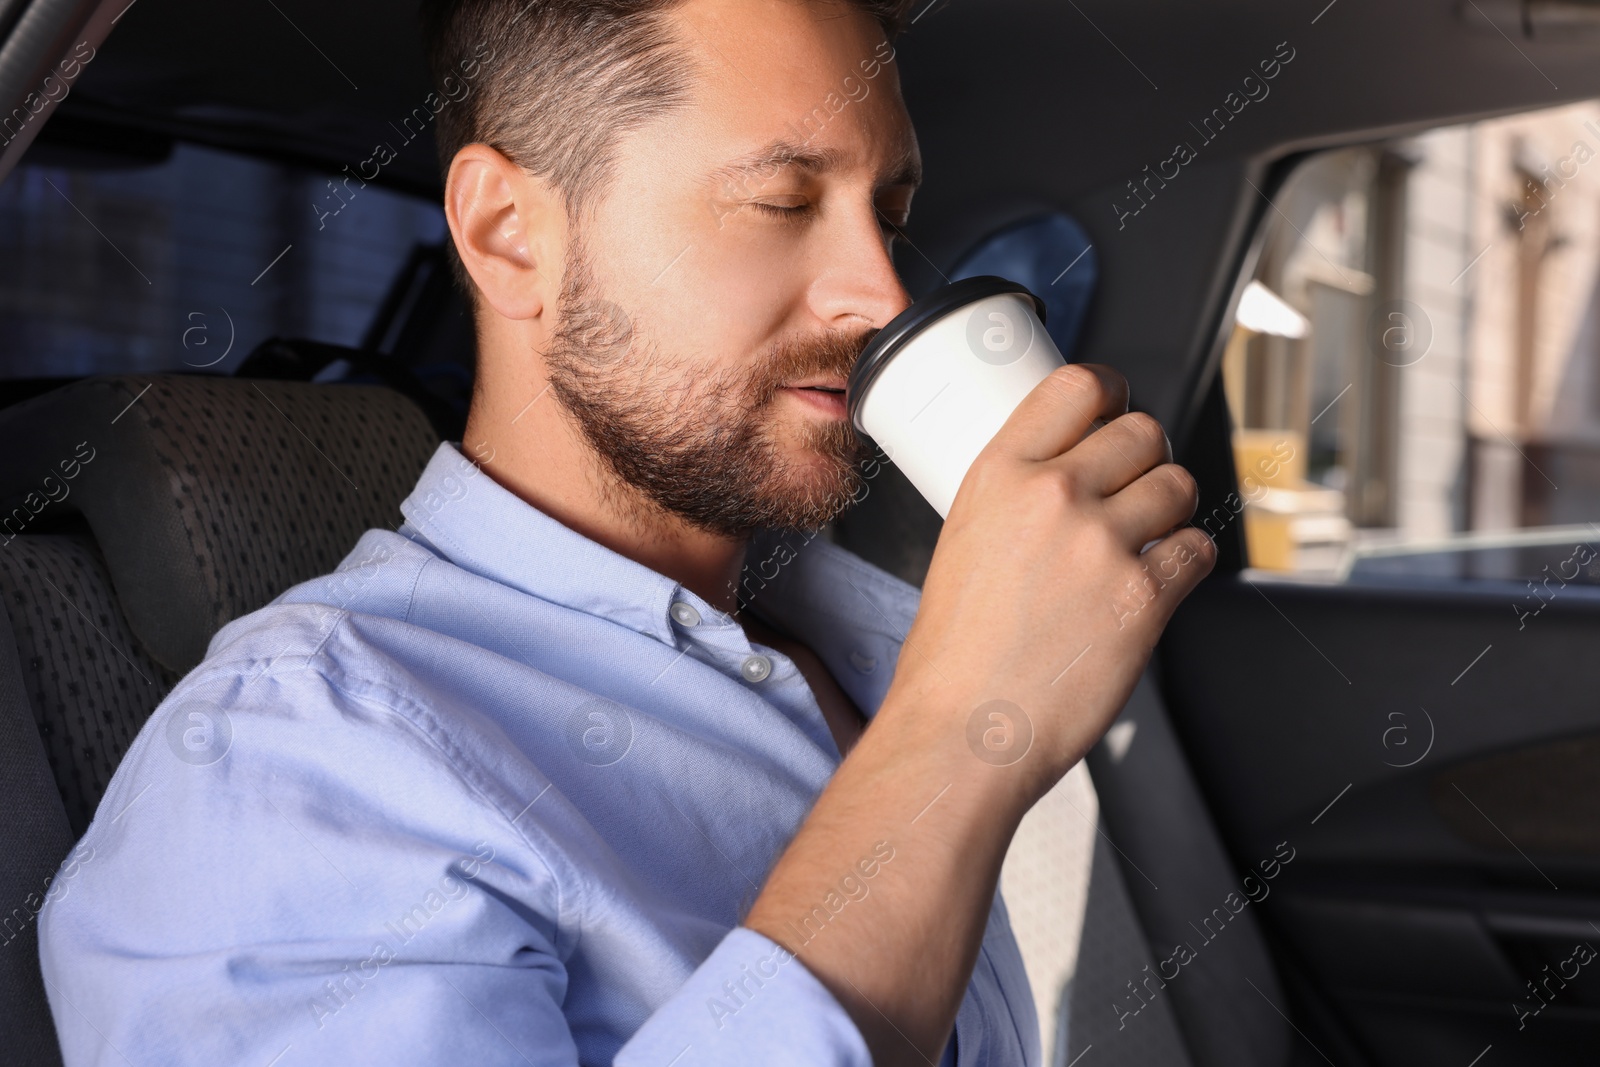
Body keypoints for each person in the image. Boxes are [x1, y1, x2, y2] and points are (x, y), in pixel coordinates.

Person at [39, 0, 1213, 1063]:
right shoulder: (289, 768)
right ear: (507, 233)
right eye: (783, 201)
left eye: (887, 214)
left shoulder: (867, 637)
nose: (881, 295)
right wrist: (959, 740)